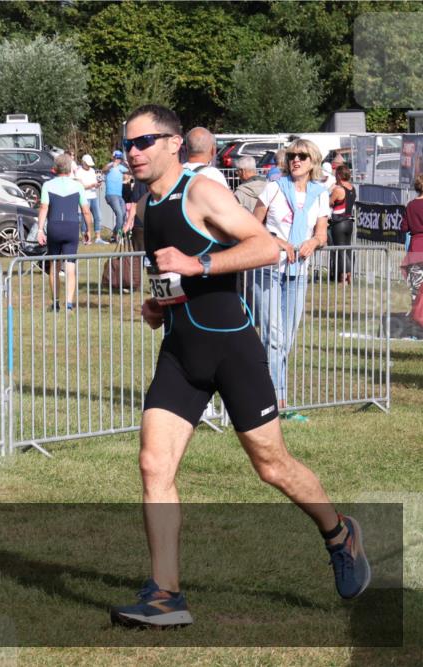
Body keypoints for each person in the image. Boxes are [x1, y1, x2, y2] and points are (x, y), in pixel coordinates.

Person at [109, 104, 369, 629]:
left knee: (271, 466)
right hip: (182, 354)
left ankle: (340, 533)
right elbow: (168, 277)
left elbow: (266, 245)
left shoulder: (200, 190)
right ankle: (165, 595)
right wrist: (157, 303)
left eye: (143, 142)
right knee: (153, 465)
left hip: (232, 349)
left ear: (173, 143)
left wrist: (199, 264)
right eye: (128, 144)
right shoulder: (147, 203)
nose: (132, 152)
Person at [251, 139, 330, 421]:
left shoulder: (320, 194)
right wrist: (278, 240)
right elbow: (251, 226)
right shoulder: (273, 188)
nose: (296, 160)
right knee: (273, 338)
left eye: (302, 156)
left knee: (286, 340)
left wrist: (313, 242)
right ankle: (275, 402)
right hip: (268, 270)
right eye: (292, 156)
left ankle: (273, 397)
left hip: (298, 273)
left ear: (313, 162)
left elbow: (322, 232)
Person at [36, 153, 93, 311]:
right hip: (71, 227)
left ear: (55, 169)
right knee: (70, 267)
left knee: (54, 266)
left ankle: (55, 302)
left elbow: (43, 208)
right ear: (70, 168)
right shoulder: (78, 186)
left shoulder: (47, 185)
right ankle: (68, 303)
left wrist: (40, 230)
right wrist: (89, 230)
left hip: (54, 227)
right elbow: (86, 211)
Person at [328, 164, 356, 284]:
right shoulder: (352, 188)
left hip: (339, 223)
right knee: (348, 249)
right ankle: (349, 276)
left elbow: (329, 202)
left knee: (340, 250)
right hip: (349, 222)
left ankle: (343, 278)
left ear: (339, 175)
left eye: (335, 174)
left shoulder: (338, 189)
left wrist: (330, 190)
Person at [401, 174, 423, 309]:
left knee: (416, 287)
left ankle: (416, 316)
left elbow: (404, 227)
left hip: (415, 249)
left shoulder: (410, 205)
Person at [75, 154, 106, 244]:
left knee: (98, 216)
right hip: (84, 197)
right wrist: (91, 185)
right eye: (87, 164)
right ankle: (85, 238)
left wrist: (97, 184)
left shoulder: (92, 171)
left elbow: (95, 182)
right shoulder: (79, 172)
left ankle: (98, 238)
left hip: (93, 196)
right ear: (83, 162)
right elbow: (80, 186)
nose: (89, 166)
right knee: (85, 218)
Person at [103, 150, 129, 241]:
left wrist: (127, 163)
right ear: (113, 157)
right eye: (117, 158)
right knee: (119, 214)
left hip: (119, 195)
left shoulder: (121, 167)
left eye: (119, 158)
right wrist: (111, 165)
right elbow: (104, 170)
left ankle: (114, 235)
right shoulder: (110, 166)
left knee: (124, 214)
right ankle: (118, 236)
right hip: (111, 195)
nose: (118, 160)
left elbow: (131, 172)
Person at [124, 176, 150, 251]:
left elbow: (134, 204)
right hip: (142, 225)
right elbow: (134, 204)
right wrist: (128, 224)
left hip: (143, 226)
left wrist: (128, 224)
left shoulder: (139, 181)